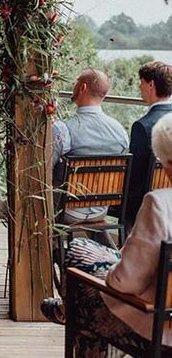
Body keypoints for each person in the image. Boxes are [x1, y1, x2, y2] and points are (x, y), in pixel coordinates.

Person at [41, 113, 172, 356]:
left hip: (157, 328)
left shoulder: (160, 203)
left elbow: (124, 282)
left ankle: (66, 307)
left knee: (82, 269)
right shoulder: (117, 131)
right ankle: (68, 306)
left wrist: (110, 271)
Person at [52, 68, 129, 243]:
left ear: (82, 87)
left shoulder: (63, 129)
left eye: (75, 83)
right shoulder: (120, 131)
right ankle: (111, 258)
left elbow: (45, 171)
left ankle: (50, 254)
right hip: (101, 210)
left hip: (66, 211)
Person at [125, 61, 172, 227]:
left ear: (151, 84)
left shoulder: (143, 126)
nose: (139, 87)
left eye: (141, 82)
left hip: (148, 205)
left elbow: (135, 177)